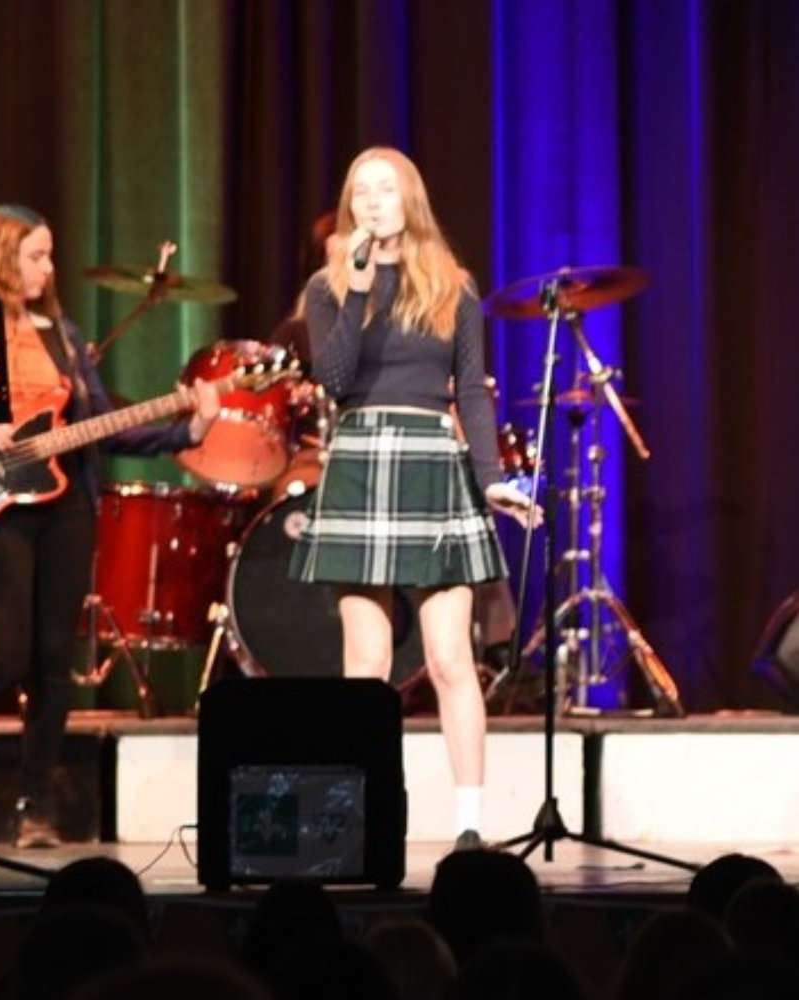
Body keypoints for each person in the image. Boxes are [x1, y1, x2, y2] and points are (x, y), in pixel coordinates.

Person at [0, 204, 219, 847]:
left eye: (48, 255)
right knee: (3, 660)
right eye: (35, 256)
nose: (48, 268)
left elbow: (104, 425)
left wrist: (186, 428)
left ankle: (36, 810)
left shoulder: (64, 335)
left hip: (66, 505)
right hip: (0, 503)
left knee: (55, 663)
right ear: (0, 259)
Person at [291, 147, 536, 850]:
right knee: (365, 665)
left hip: (432, 459)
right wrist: (358, 288)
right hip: (361, 462)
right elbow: (335, 381)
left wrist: (491, 478)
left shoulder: (454, 285)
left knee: (450, 657)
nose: (372, 202)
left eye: (386, 190)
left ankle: (469, 825)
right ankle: (357, 818)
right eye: (360, 192)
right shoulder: (328, 287)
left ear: (411, 200)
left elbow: (474, 395)